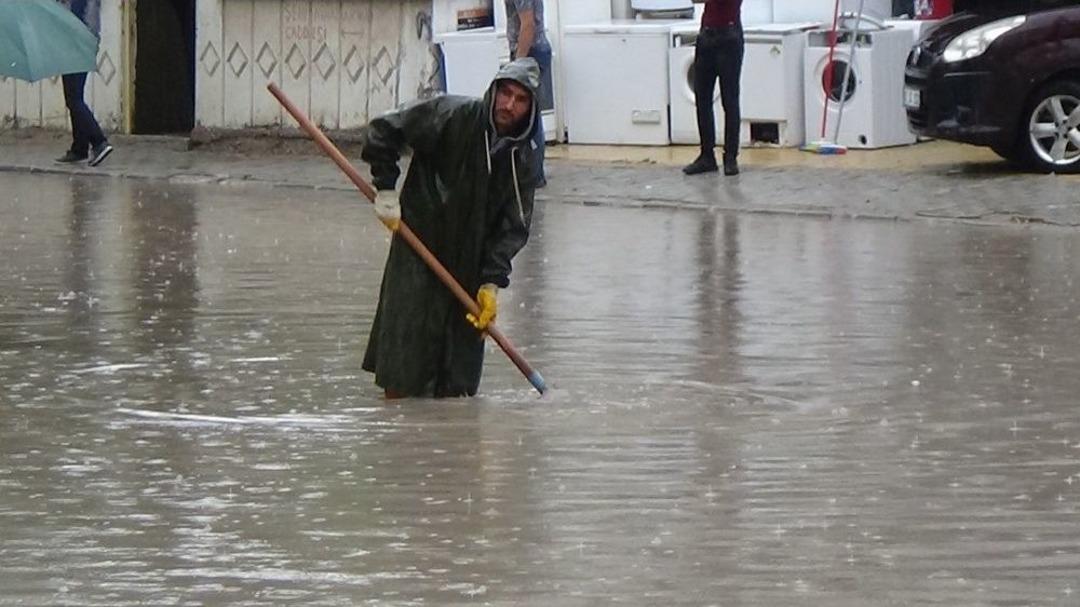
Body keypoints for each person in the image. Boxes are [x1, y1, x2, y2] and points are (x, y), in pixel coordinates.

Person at [359, 59, 542, 398]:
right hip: (419, 248)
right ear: (494, 91)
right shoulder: (452, 114)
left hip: (469, 270)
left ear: (530, 109)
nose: (509, 105)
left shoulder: (524, 156)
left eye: (520, 100)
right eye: (505, 94)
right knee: (404, 370)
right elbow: (383, 129)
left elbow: (514, 225)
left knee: (456, 387)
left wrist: (491, 281)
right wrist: (386, 188)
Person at [683, 0, 743, 177]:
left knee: (729, 100)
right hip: (707, 35)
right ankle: (707, 155)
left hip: (729, 36)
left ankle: (730, 156)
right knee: (702, 99)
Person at [55, 0, 113, 167]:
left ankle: (99, 142)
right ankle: (79, 147)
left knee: (74, 99)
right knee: (74, 96)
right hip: (79, 44)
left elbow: (75, 19)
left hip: (76, 45)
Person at [504, 0, 551, 187]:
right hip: (535, 50)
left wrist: (517, 65)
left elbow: (528, 25)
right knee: (530, 114)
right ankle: (532, 172)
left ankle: (533, 175)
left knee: (528, 116)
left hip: (530, 52)